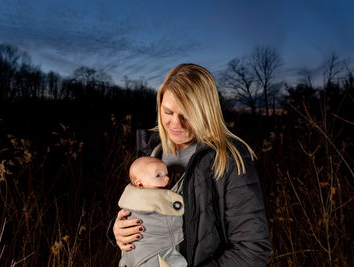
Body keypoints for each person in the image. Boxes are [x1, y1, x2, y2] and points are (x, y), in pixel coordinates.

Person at [110, 63, 272, 266]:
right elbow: (146, 210)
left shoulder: (228, 159)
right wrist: (119, 229)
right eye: (168, 112)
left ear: (206, 113)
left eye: (186, 115)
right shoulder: (150, 151)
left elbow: (253, 249)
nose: (175, 124)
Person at [118, 156, 187, 267]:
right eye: (158, 175)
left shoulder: (131, 199)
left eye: (167, 174)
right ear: (140, 184)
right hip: (151, 256)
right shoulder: (147, 202)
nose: (167, 179)